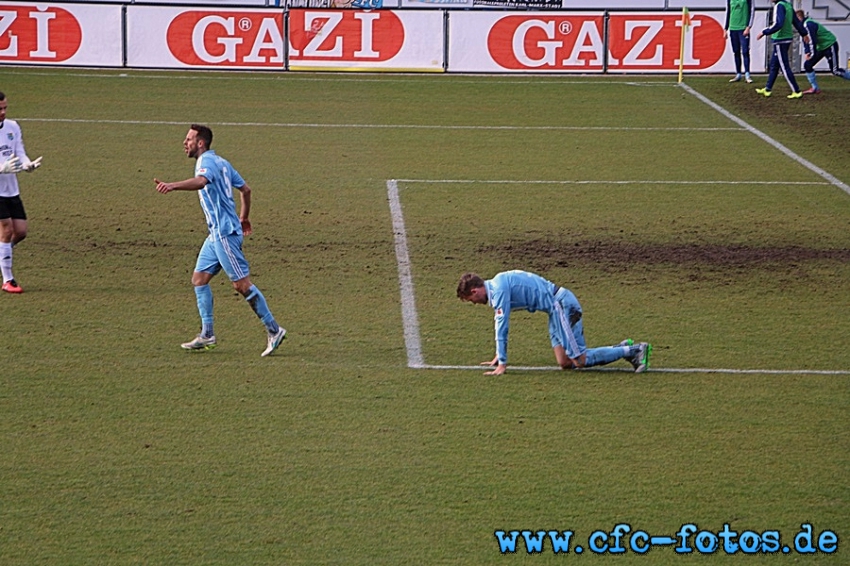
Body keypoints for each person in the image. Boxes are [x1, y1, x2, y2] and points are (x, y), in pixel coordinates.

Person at [154, 124, 286, 357]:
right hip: (216, 234)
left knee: (241, 285)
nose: (185, 143)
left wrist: (173, 185)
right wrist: (244, 217)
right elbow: (245, 190)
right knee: (199, 279)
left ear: (201, 143)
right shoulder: (222, 162)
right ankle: (207, 334)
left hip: (224, 235)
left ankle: (274, 330)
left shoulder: (207, 163)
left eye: (189, 139)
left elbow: (201, 181)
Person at [457, 270, 651, 376]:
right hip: (553, 310)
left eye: (470, 300)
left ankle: (633, 351)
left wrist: (503, 363)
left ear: (475, 291)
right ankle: (619, 349)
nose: (474, 304)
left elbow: (502, 327)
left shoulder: (498, 290)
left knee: (580, 360)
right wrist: (499, 355)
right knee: (565, 363)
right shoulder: (497, 285)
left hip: (562, 306)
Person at [0, 91, 43, 294]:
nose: (3, 112)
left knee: (20, 232)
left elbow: (19, 151)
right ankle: (8, 280)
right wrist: (1, 168)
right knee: (6, 230)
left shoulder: (12, 127)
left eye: (5, 108)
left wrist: (27, 164)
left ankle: (2, 252)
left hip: (11, 189)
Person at [755, 0, 809, 99]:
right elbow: (796, 22)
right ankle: (768, 89)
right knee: (774, 65)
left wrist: (765, 32)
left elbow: (778, 24)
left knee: (784, 66)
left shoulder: (779, 6)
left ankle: (796, 91)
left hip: (780, 39)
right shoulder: (788, 5)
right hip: (786, 38)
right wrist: (804, 33)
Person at [795, 10, 850, 94]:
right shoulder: (803, 26)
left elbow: (812, 41)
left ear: (799, 18)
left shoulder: (808, 24)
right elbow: (805, 39)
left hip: (829, 45)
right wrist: (807, 52)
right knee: (808, 65)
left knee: (835, 71)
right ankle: (815, 88)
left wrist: (812, 54)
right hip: (821, 47)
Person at [724, 0, 755, 83]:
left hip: (743, 28)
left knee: (745, 51)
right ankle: (738, 74)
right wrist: (725, 28)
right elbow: (728, 11)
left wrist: (748, 27)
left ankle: (747, 74)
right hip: (733, 28)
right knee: (736, 52)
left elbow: (751, 11)